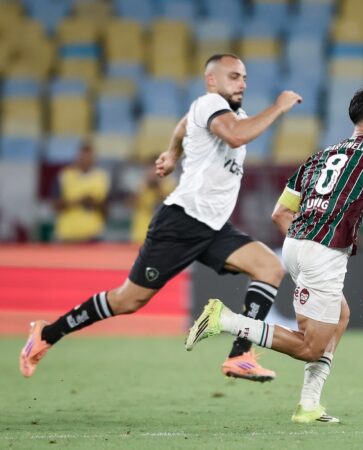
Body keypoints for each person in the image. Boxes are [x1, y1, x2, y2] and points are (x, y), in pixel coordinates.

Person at [19, 54, 303, 383]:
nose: (243, 83)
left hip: (211, 227)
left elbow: (184, 126)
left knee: (269, 267)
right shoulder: (209, 103)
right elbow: (237, 136)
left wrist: (172, 153)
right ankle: (46, 334)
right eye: (234, 76)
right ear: (212, 80)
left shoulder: (228, 113)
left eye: (244, 77)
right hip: (181, 223)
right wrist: (279, 106)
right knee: (127, 300)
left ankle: (240, 355)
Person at [185, 87, 363, 424]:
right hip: (322, 253)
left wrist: (306, 241)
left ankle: (309, 405)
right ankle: (224, 320)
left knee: (339, 316)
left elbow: (279, 214)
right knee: (310, 347)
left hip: (295, 245)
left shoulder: (319, 156)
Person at [52, 142, 110, 242]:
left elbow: (107, 210)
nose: (86, 160)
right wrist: (78, 202)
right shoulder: (64, 176)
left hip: (93, 235)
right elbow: (55, 205)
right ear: (77, 157)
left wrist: (94, 203)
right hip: (67, 235)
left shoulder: (102, 177)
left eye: (89, 157)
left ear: (94, 158)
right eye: (83, 156)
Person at [129, 167, 176, 244]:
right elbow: (130, 203)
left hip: (164, 232)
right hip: (141, 232)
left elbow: (170, 203)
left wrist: (158, 187)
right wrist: (145, 187)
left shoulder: (168, 183)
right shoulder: (142, 184)